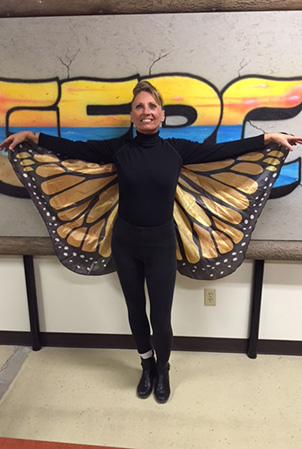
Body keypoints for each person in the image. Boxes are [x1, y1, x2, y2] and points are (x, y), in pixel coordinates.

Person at [1, 81, 301, 404]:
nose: (146, 111)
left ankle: (163, 370)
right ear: (132, 116)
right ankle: (145, 365)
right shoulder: (119, 150)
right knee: (135, 310)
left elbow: (223, 152)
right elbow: (76, 150)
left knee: (161, 317)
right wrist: (33, 137)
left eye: (152, 106)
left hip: (161, 246)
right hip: (125, 244)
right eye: (140, 107)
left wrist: (268, 138)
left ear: (162, 115)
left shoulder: (177, 150)